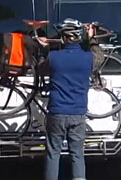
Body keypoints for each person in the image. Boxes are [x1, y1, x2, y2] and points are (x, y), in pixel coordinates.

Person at [37, 18, 100, 180]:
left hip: (56, 112)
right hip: (78, 114)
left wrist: (44, 50)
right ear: (79, 37)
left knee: (53, 154)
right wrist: (91, 38)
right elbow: (99, 56)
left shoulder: (54, 57)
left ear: (63, 38)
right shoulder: (88, 58)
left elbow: (41, 70)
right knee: (77, 154)